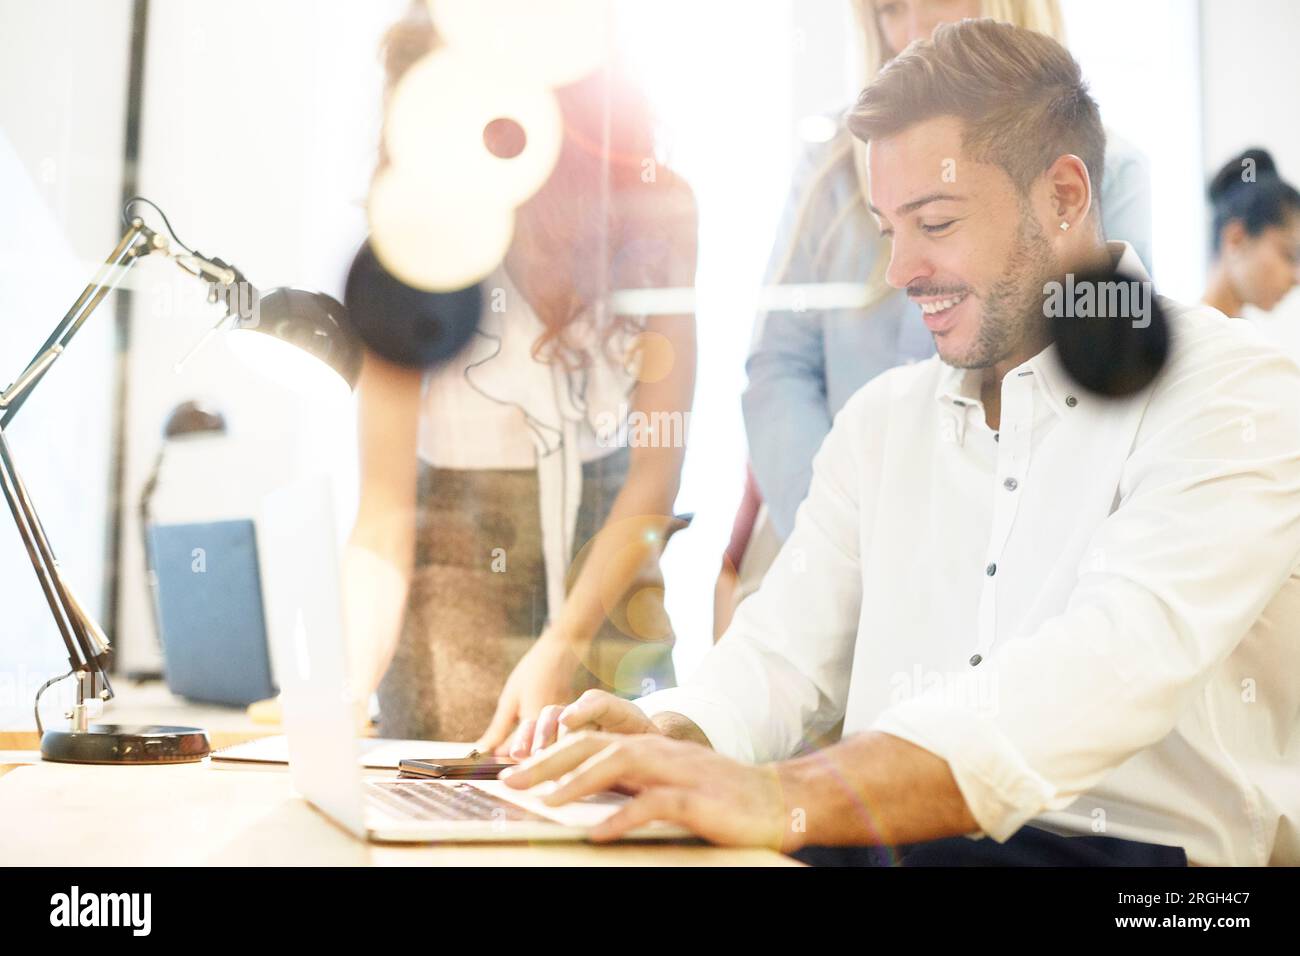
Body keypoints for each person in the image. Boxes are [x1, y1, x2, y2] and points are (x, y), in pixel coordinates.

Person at [501, 19, 1300, 867]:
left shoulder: (1234, 391)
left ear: (1064, 197)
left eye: (937, 222)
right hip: (904, 844)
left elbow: (1106, 667)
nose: (899, 270)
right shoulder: (882, 421)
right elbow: (784, 650)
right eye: (890, 230)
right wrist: (674, 732)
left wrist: (784, 795)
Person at [715, 0, 1153, 635]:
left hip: (1007, 552)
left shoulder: (1112, 169)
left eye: (939, 222)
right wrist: (851, 535)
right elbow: (779, 366)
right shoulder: (832, 168)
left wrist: (959, 550)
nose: (915, 28)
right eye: (890, 8)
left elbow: (1100, 377)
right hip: (823, 535)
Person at [342, 3, 698, 751]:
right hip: (449, 649)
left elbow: (653, 479)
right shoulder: (409, 239)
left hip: (611, 628)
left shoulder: (657, 213)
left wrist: (560, 647)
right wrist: (343, 688)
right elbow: (382, 517)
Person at [1202, 147, 1300, 318]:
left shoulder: (1240, 337)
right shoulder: (1187, 337)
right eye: (1289, 255)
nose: (1296, 278)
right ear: (1236, 239)